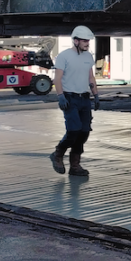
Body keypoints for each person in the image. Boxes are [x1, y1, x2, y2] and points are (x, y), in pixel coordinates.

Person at [49, 26, 99, 177]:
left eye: (88, 41)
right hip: (69, 98)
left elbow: (90, 77)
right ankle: (58, 154)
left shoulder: (88, 57)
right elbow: (57, 78)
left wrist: (96, 95)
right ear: (76, 40)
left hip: (84, 98)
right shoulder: (64, 56)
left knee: (84, 132)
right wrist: (60, 96)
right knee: (73, 130)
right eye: (84, 41)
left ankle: (75, 166)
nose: (87, 43)